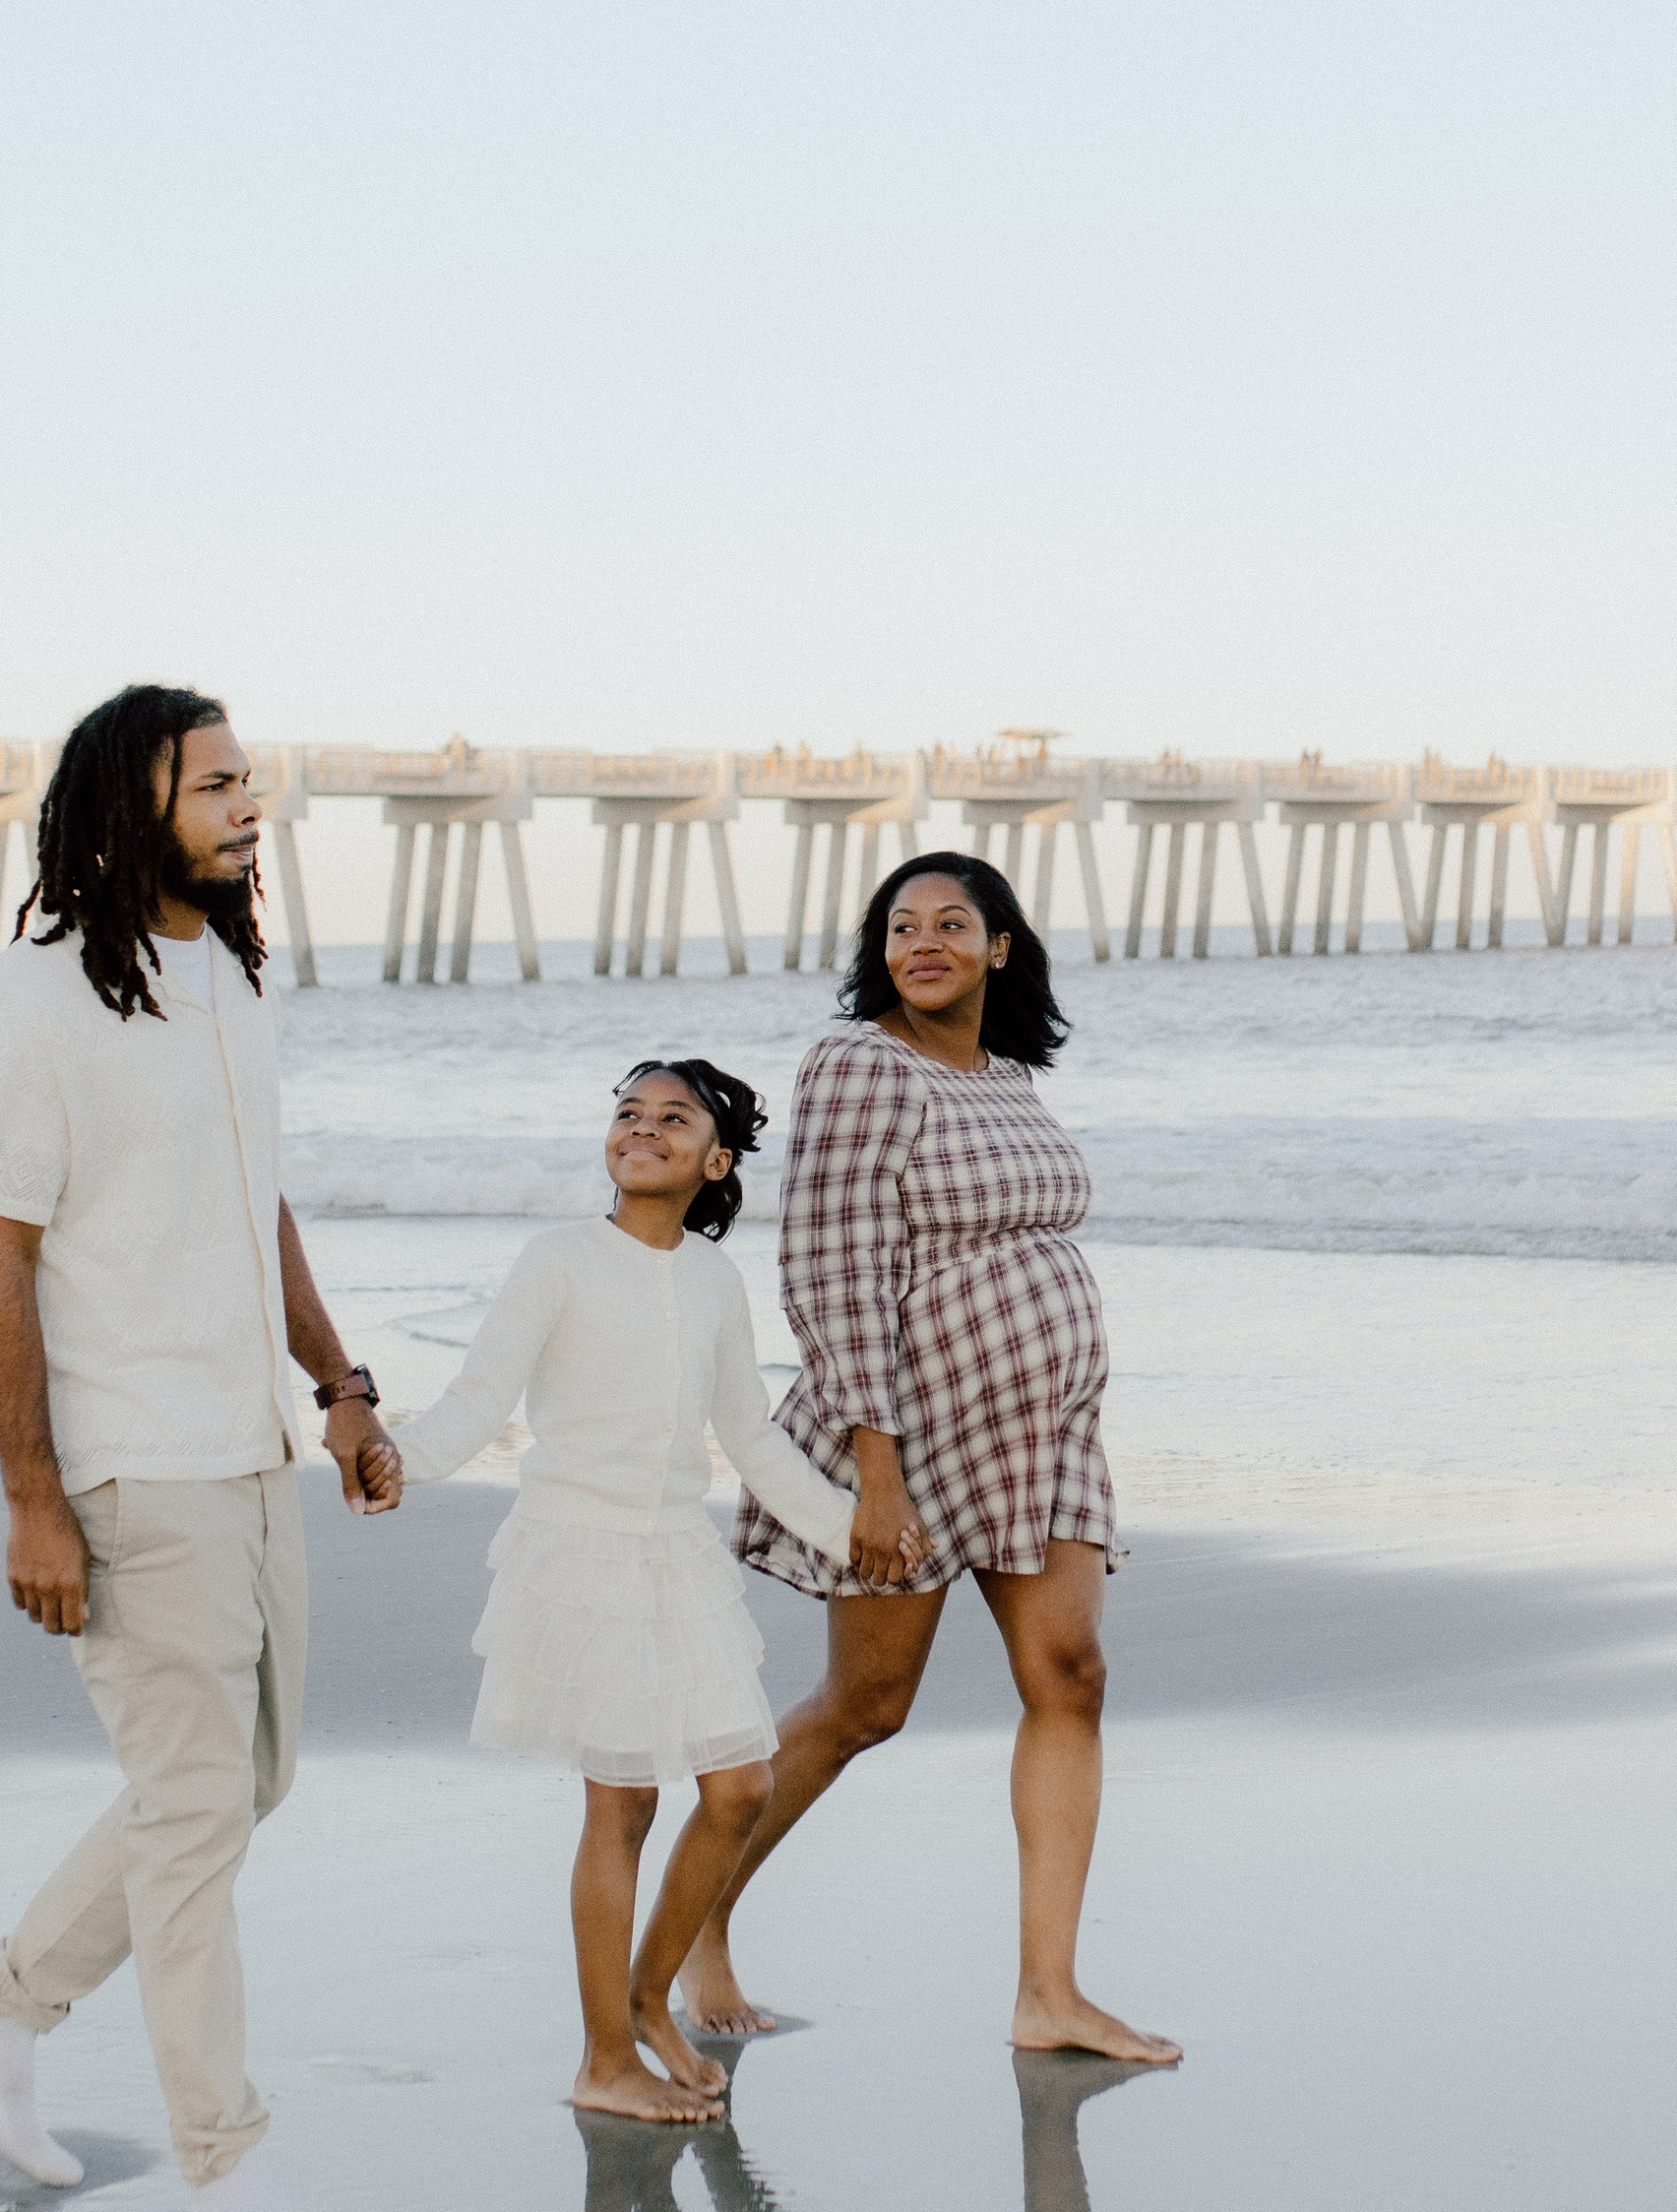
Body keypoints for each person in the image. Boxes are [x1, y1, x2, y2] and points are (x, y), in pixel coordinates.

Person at [0, 683, 403, 2212]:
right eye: (216, 784)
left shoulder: (231, 981)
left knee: (240, 1788)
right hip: (129, 1463)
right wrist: (31, 1496)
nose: (249, 805)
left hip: (251, 1450)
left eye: (252, 780)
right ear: (135, 805)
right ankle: (224, 2169)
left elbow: (257, 1208)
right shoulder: (37, 1002)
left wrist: (338, 1390)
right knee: (195, 1810)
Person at [684, 853, 1179, 2067]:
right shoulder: (860, 1065)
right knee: (866, 1706)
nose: (924, 943)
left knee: (1071, 1675)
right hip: (915, 1428)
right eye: (900, 927)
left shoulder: (1012, 1080)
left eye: (951, 923)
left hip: (1046, 1432)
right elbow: (829, 1270)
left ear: (1000, 946)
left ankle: (1048, 1993)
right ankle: (692, 1922)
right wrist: (877, 1468)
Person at [391, 1060, 899, 2124]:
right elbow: (481, 1395)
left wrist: (847, 1529)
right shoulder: (558, 1260)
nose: (642, 1128)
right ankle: (602, 2056)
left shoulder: (714, 1279)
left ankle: (647, 1998)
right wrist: (400, 1459)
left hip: (675, 1554)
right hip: (578, 1552)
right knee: (620, 1807)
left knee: (739, 1787)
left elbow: (749, 1434)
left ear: (715, 1161)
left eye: (673, 1119)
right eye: (627, 1112)